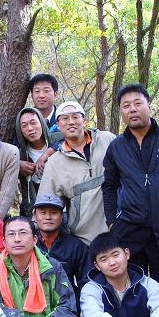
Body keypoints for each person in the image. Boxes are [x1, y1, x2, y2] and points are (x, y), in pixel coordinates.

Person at [102, 84, 159, 285]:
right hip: (130, 228)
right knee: (134, 288)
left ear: (149, 105)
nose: (132, 109)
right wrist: (112, 221)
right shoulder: (117, 146)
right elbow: (109, 186)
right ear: (121, 111)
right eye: (126, 106)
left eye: (137, 103)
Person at [38, 101, 115, 244]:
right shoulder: (54, 163)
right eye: (65, 118)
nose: (71, 122)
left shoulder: (107, 140)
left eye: (75, 117)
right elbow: (45, 205)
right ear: (58, 125)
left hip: (121, 230)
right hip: (84, 240)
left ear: (83, 119)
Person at [33, 194, 92, 309]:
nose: (48, 217)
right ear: (35, 217)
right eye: (43, 213)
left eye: (54, 213)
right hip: (34, 305)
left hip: (68, 305)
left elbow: (87, 280)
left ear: (62, 217)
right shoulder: (28, 244)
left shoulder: (75, 246)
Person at [14, 107, 62, 217]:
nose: (30, 128)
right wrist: (18, 165)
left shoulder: (58, 139)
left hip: (63, 207)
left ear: (42, 123)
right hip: (36, 210)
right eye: (24, 126)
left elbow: (78, 138)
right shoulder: (19, 155)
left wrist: (48, 153)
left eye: (33, 123)